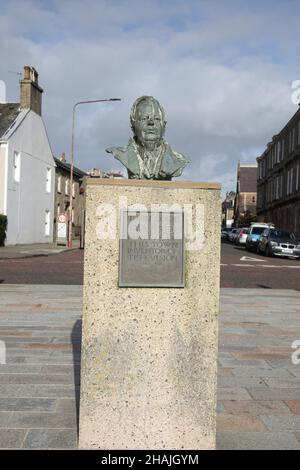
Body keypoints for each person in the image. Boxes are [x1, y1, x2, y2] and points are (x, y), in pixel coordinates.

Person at [106, 96, 189, 180]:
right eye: (144, 118)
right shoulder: (121, 154)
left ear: (164, 126)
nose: (151, 122)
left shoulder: (178, 160)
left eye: (157, 118)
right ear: (133, 127)